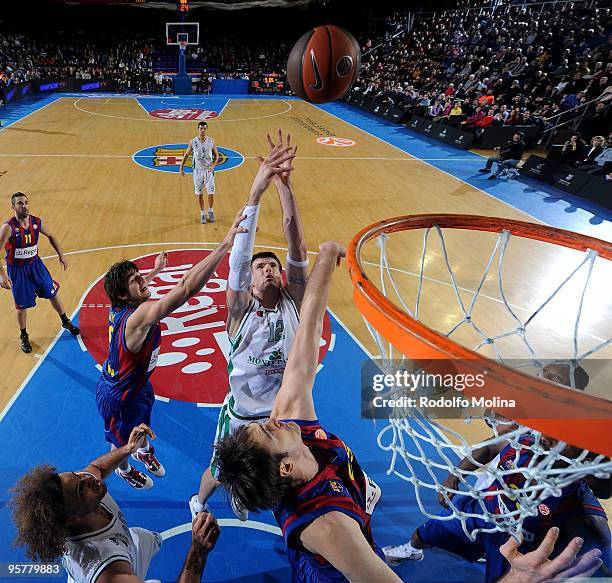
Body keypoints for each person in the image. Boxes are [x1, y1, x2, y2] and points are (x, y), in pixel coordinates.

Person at [382, 363, 610, 582]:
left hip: (518, 537)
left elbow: (601, 495)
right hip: (486, 506)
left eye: (555, 378)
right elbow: (491, 445)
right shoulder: (522, 429)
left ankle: (483, 549)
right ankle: (411, 550)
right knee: (424, 534)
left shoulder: (577, 466)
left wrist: (597, 467)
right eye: (543, 373)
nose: (543, 380)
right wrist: (454, 476)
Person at [190, 130, 307, 522]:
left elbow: (294, 238)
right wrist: (254, 195)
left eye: (272, 264)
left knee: (288, 474)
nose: (268, 267)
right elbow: (238, 259)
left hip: (282, 415)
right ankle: (199, 500)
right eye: (261, 266)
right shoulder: (239, 309)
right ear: (250, 281)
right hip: (241, 414)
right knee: (221, 471)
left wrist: (284, 187)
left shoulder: (294, 303)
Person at [96, 212, 249, 489]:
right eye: (135, 280)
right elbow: (186, 287)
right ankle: (125, 467)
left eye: (139, 276)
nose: (142, 281)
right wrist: (226, 243)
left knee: (143, 429)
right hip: (118, 397)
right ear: (123, 295)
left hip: (138, 386)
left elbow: (139, 291)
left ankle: (144, 452)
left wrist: (153, 272)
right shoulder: (137, 319)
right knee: (120, 445)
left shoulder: (117, 305)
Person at [9, 423, 220, 583]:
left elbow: (96, 468)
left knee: (145, 539)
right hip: (115, 566)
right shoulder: (107, 568)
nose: (88, 479)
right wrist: (198, 551)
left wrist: (128, 449)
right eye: (81, 488)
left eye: (77, 475)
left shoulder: (79, 494)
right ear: (73, 517)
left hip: (127, 544)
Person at [0, 192, 80, 353]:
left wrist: (61, 255)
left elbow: (51, 236)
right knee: (21, 307)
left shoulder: (36, 222)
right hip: (18, 271)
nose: (24, 206)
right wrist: (2, 274)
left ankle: (65, 321)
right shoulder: (8, 228)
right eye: (20, 203)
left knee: (52, 293)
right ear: (13, 207)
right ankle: (24, 335)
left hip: (36, 265)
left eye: (26, 203)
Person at [179, 121, 219, 224]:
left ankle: (210, 211)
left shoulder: (211, 141)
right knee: (200, 194)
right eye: (201, 128)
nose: (203, 130)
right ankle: (202, 213)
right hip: (197, 172)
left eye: (204, 128)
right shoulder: (193, 142)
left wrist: (214, 164)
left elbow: (217, 155)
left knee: (211, 193)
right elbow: (186, 155)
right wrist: (181, 167)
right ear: (198, 129)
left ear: (206, 129)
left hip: (209, 171)